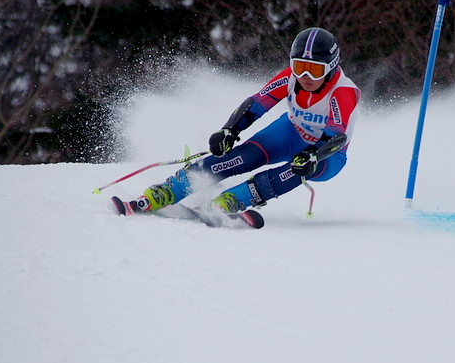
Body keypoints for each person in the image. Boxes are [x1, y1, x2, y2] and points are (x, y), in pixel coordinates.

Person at [114, 27, 361, 219]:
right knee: (242, 156)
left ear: (331, 67)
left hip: (328, 153)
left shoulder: (343, 91)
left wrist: (313, 154)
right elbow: (257, 103)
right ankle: (171, 189)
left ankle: (234, 199)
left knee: (298, 169)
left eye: (314, 70)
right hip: (289, 131)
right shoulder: (290, 77)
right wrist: (230, 130)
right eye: (299, 67)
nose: (305, 77)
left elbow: (335, 135)